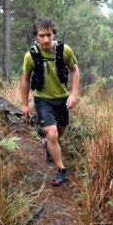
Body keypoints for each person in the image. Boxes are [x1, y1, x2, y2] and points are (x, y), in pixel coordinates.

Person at [21, 17, 80, 186]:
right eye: (41, 35)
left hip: (62, 98)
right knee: (52, 132)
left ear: (53, 34)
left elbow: (75, 71)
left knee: (61, 129)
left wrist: (73, 94)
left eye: (49, 35)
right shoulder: (30, 56)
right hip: (42, 99)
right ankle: (61, 169)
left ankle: (48, 144)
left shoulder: (64, 51)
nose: (46, 39)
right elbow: (25, 79)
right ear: (36, 36)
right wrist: (25, 104)